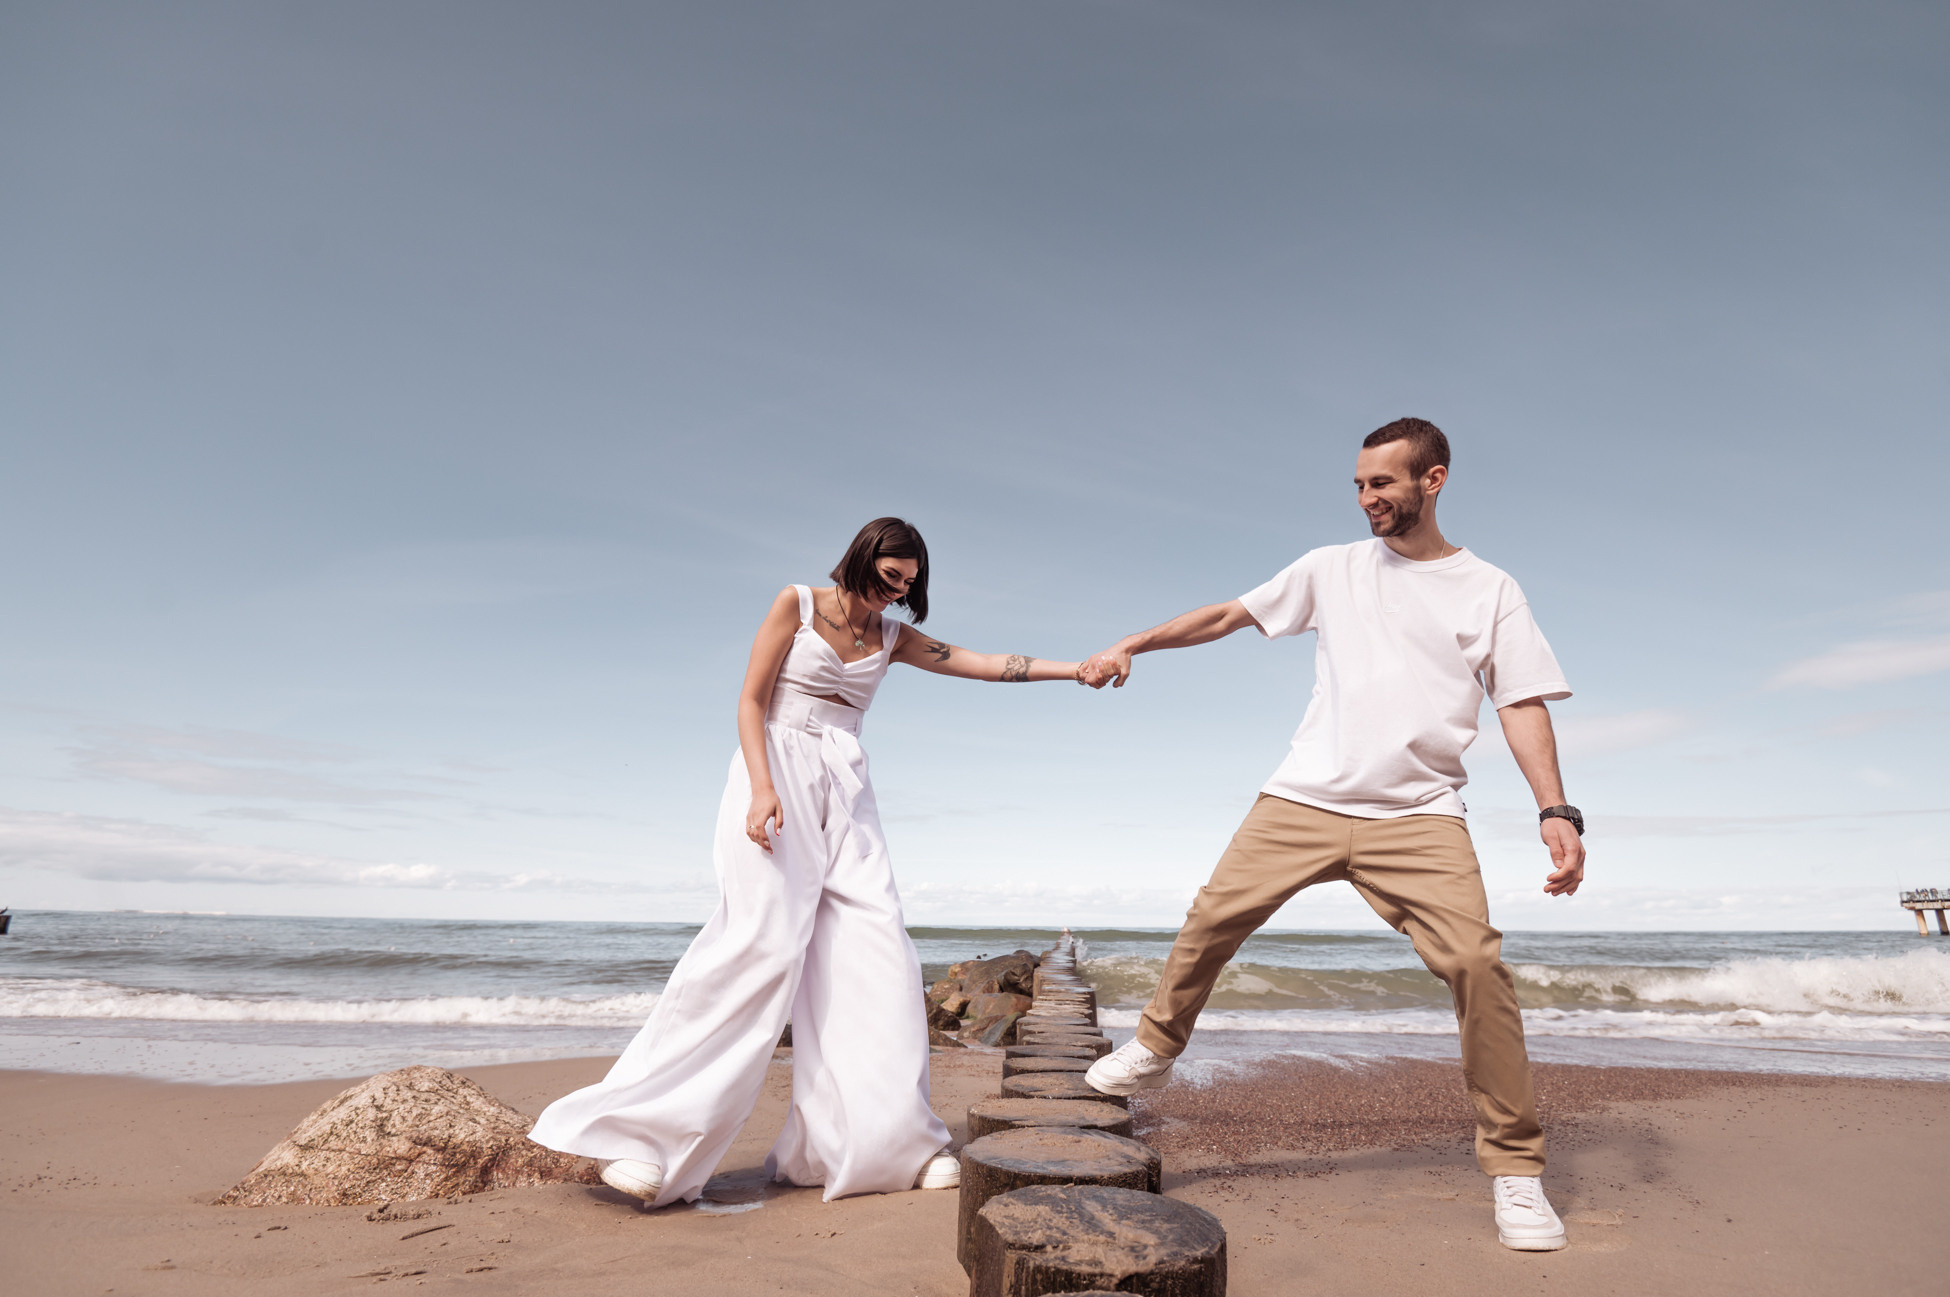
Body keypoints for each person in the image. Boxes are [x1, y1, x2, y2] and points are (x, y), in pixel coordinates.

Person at [1077, 418, 1586, 1252]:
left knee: (1476, 965)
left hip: (1419, 812)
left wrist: (1556, 810)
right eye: (1358, 483)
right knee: (1212, 917)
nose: (1366, 498)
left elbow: (1520, 701)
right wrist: (1136, 640)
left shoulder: (1489, 588)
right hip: (1305, 797)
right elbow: (1228, 616)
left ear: (1435, 479)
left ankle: (1517, 1172)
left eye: (1382, 482)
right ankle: (1154, 1046)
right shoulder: (1331, 566)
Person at [528, 517, 1086, 1208]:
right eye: (890, 577)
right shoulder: (793, 603)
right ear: (863, 557)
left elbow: (982, 662)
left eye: (909, 585)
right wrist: (762, 787)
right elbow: (751, 701)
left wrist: (1077, 669)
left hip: (846, 794)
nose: (897, 594)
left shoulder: (892, 637)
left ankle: (888, 1145)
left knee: (879, 953)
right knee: (759, 947)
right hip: (777, 779)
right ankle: (647, 1141)